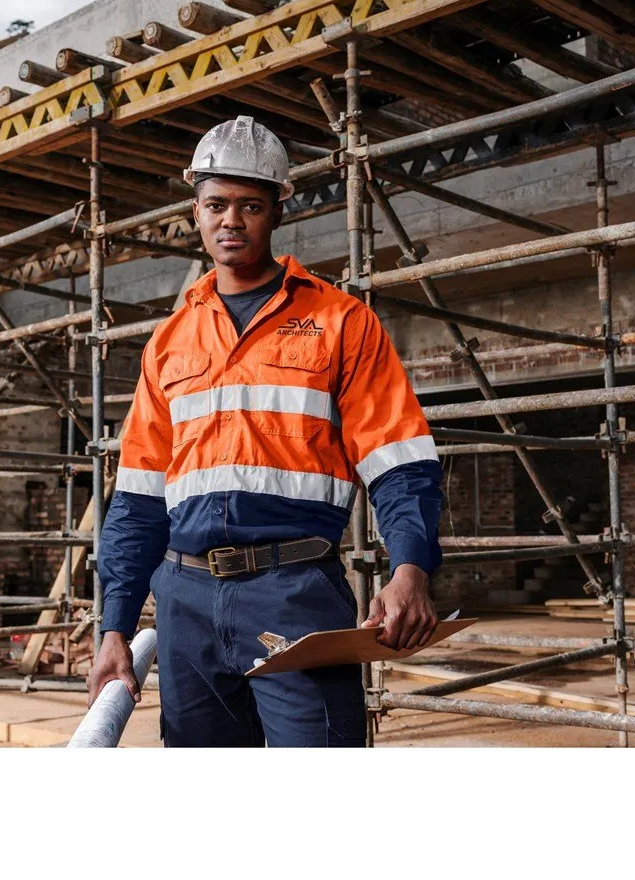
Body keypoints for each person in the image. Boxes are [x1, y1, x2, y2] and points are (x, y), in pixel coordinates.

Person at [89, 115, 445, 747]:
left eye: (250, 206)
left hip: (295, 596)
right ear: (195, 212)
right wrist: (114, 626)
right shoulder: (169, 342)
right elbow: (139, 499)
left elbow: (399, 460)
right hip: (184, 602)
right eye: (216, 205)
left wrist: (410, 567)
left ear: (278, 209)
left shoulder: (341, 321)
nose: (231, 220)